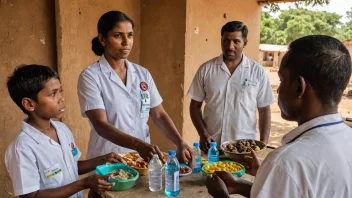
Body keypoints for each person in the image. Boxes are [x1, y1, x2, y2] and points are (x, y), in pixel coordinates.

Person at [205, 35, 352, 198]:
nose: (278, 90)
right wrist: (239, 185)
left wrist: (221, 195)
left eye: (282, 80)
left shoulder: (286, 162)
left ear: (299, 87)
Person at [77, 11, 193, 165]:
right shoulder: (91, 76)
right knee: (105, 188)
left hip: (140, 159)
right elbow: (101, 125)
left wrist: (179, 142)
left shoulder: (142, 74)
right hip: (109, 157)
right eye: (118, 35)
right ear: (102, 39)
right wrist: (138, 145)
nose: (126, 42)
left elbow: (158, 114)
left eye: (130, 35)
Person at [5, 65, 125, 198]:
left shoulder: (62, 129)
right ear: (29, 104)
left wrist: (104, 159)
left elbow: (73, 167)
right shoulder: (22, 148)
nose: (61, 98)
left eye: (60, 91)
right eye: (53, 94)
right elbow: (31, 196)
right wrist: (84, 184)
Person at [187, 21, 275, 152]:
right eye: (226, 41)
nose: (230, 46)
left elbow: (264, 110)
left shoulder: (257, 71)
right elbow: (195, 105)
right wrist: (203, 133)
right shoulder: (206, 69)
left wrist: (263, 144)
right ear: (221, 40)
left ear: (245, 42)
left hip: (244, 149)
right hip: (212, 146)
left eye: (236, 41)